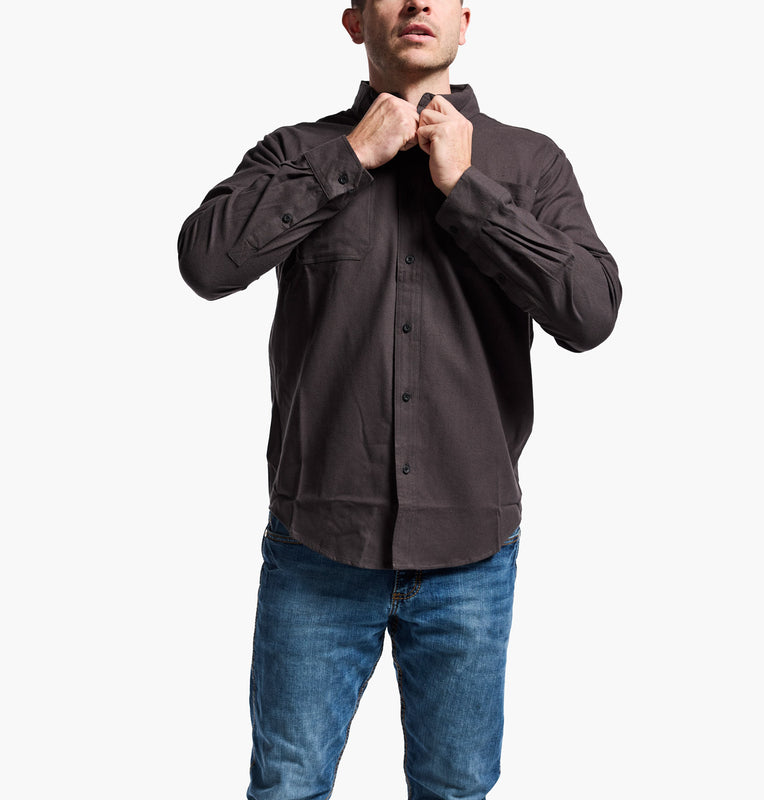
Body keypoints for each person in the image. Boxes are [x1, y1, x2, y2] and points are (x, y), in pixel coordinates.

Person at [178, 1, 622, 797]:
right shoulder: (298, 150)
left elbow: (589, 314)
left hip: (471, 553)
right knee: (287, 786)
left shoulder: (529, 163)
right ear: (353, 21)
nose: (417, 2)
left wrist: (470, 189)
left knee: (455, 789)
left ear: (464, 20)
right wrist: (347, 159)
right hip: (317, 542)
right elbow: (208, 264)